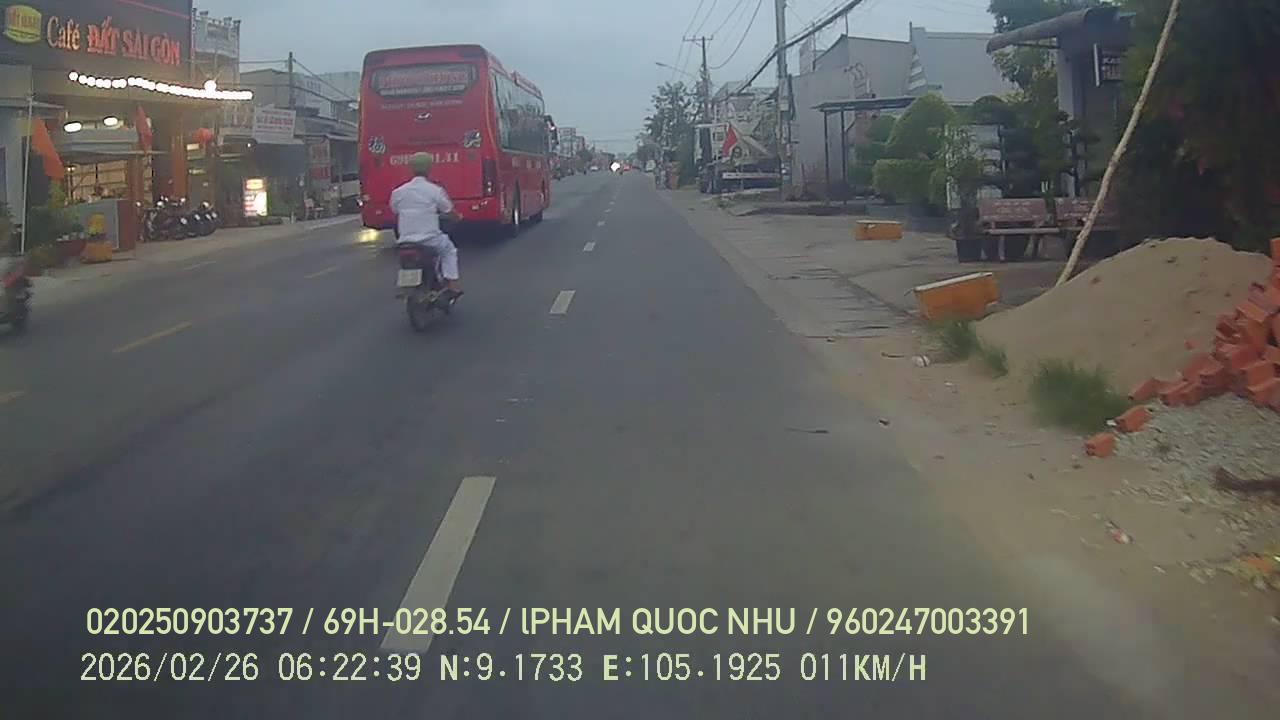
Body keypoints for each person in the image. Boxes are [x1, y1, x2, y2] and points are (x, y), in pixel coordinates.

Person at [390, 152, 463, 298]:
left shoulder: (398, 192)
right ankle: (452, 285)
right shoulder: (435, 190)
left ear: (412, 168)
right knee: (449, 250)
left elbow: (395, 209)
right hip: (430, 239)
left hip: (405, 240)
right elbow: (449, 210)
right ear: (429, 168)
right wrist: (458, 217)